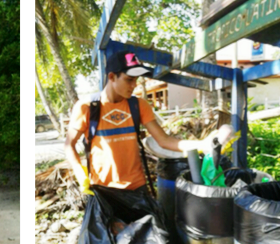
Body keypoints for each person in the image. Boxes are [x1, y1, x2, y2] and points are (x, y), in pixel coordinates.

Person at [63, 50, 224, 195]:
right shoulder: (86, 107)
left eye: (136, 80)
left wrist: (202, 144)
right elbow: (69, 144)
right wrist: (79, 170)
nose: (134, 86)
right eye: (129, 79)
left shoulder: (138, 105)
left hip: (137, 188)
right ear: (112, 77)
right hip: (104, 190)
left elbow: (164, 140)